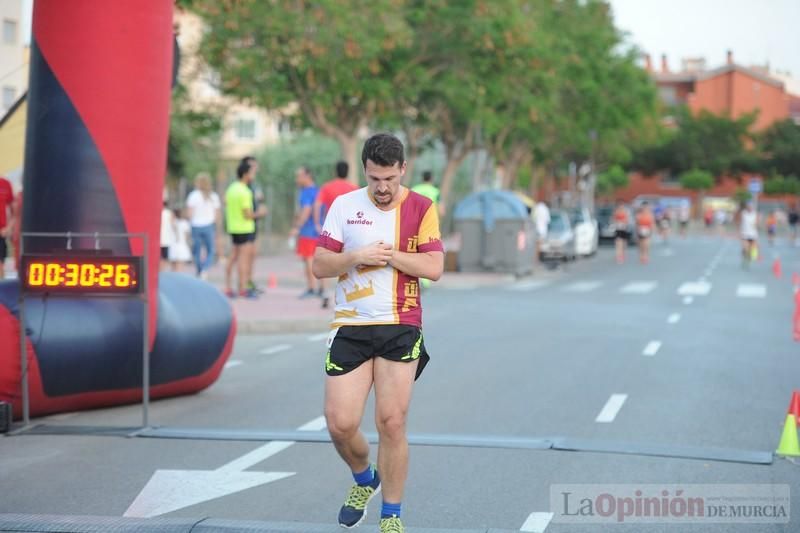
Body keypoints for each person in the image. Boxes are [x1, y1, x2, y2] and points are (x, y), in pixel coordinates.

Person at [312, 133, 443, 533]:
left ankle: (391, 515)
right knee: (340, 423)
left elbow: (434, 267)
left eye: (389, 178)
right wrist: (356, 257)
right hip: (351, 324)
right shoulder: (344, 206)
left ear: (402, 170)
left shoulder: (422, 207)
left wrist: (389, 257)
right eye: (374, 179)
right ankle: (364, 478)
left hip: (400, 325)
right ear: (365, 173)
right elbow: (320, 265)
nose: (382, 188)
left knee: (391, 422)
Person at [224, 157, 259, 298]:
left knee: (232, 258)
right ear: (245, 174)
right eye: (252, 173)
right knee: (243, 260)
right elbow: (248, 214)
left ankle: (227, 286)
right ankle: (243, 288)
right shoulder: (245, 191)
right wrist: (260, 213)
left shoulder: (231, 188)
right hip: (245, 228)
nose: (253, 175)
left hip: (233, 228)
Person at [289, 166, 323, 298]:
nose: (296, 179)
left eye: (299, 176)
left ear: (307, 176)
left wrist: (297, 227)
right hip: (318, 229)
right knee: (317, 258)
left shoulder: (307, 192)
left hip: (308, 231)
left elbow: (306, 210)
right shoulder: (318, 191)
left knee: (308, 258)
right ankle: (320, 288)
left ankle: (311, 288)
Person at [185, 172, 221, 279]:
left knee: (196, 250)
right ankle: (205, 269)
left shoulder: (193, 196)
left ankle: (199, 269)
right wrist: (216, 226)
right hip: (208, 225)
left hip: (196, 225)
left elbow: (189, 214)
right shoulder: (213, 196)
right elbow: (217, 214)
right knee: (210, 250)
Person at [411, 171, 442, 288]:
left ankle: (416, 277)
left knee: (414, 250)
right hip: (430, 224)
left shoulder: (414, 189)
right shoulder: (435, 191)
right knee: (429, 251)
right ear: (431, 179)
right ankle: (425, 281)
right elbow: (441, 209)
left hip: (415, 222)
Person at [314, 160, 358, 234]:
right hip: (349, 226)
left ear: (336, 172)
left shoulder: (326, 187)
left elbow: (317, 205)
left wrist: (317, 224)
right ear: (347, 172)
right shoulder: (354, 188)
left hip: (331, 225)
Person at [0, 176, 14, 279]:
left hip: (1, 231)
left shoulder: (5, 184)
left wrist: (9, 227)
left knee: (0, 263)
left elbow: (14, 210)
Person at [739, 202, 758, 269]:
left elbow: (757, 222)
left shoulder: (755, 214)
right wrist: (740, 232)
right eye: (749, 206)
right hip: (745, 234)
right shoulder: (744, 213)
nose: (750, 208)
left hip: (753, 234)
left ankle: (748, 261)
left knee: (751, 250)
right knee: (745, 248)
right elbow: (741, 222)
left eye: (751, 207)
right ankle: (744, 258)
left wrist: (756, 224)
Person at [160, 200, 176, 272]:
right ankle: (163, 269)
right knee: (165, 256)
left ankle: (161, 269)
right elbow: (173, 225)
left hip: (160, 238)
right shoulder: (169, 213)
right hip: (166, 238)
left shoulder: (158, 212)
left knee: (160, 256)